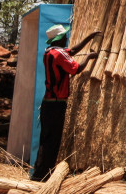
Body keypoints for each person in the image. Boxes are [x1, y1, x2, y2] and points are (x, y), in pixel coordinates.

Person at [30, 24, 102, 180]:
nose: (67, 39)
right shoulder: (59, 54)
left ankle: (39, 172)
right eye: (64, 37)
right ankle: (43, 175)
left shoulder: (50, 52)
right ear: (60, 39)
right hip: (56, 104)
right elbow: (76, 69)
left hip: (48, 103)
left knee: (45, 138)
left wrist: (89, 37)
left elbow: (73, 50)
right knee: (52, 141)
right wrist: (89, 57)